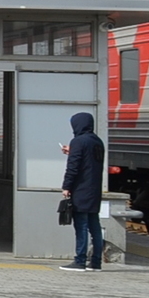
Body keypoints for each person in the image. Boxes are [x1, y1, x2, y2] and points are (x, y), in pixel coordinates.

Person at [60, 111, 106, 271]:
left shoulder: (78, 141)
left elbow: (73, 167)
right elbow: (88, 161)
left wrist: (66, 186)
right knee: (95, 227)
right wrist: (72, 151)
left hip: (81, 190)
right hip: (94, 190)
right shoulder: (97, 141)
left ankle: (79, 261)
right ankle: (96, 262)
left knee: (81, 226)